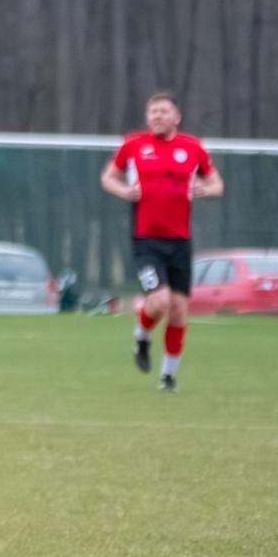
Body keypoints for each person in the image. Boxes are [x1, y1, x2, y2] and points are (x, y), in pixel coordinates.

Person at [101, 91, 223, 391]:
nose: (157, 116)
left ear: (176, 117)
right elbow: (108, 177)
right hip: (146, 240)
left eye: (163, 111)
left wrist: (206, 189)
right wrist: (123, 191)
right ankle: (141, 337)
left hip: (180, 241)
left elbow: (217, 183)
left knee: (180, 310)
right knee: (159, 301)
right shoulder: (133, 145)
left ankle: (167, 377)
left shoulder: (192, 148)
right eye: (152, 111)